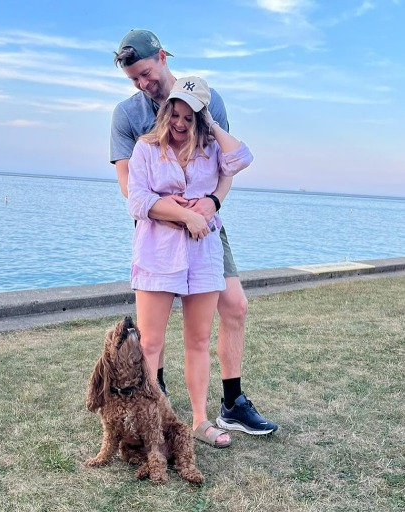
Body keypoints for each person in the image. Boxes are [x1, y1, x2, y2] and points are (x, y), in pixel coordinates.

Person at [111, 29, 278, 436]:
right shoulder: (129, 116)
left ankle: (229, 405)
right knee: (152, 337)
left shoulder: (208, 100)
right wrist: (178, 216)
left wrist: (211, 205)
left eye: (146, 73)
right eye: (134, 79)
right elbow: (129, 186)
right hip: (158, 227)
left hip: (205, 229)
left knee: (233, 307)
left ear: (163, 57)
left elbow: (231, 165)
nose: (142, 84)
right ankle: (154, 410)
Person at [128, 76, 253, 447]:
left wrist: (212, 124)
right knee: (150, 343)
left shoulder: (212, 149)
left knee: (198, 340)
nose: (180, 123)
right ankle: (149, 426)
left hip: (203, 256)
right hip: (157, 253)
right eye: (175, 113)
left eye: (189, 116)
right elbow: (137, 201)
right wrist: (186, 216)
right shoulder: (147, 148)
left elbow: (242, 158)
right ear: (166, 112)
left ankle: (200, 421)